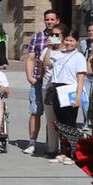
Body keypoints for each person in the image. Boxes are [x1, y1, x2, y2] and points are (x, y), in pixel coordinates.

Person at [43, 29, 88, 163]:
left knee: (70, 123)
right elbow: (46, 63)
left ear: (76, 42)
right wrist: (50, 48)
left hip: (70, 89)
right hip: (57, 88)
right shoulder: (59, 54)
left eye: (71, 40)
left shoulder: (78, 57)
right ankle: (63, 152)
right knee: (61, 123)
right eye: (66, 40)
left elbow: (81, 78)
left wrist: (78, 97)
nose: (68, 43)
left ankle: (72, 153)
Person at [24, 8, 58, 151]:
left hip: (54, 80)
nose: (50, 22)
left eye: (52, 19)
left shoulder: (59, 36)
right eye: (47, 19)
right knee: (35, 111)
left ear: (57, 21)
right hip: (38, 80)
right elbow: (31, 57)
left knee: (53, 114)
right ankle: (32, 142)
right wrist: (29, 76)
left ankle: (52, 144)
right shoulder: (37, 37)